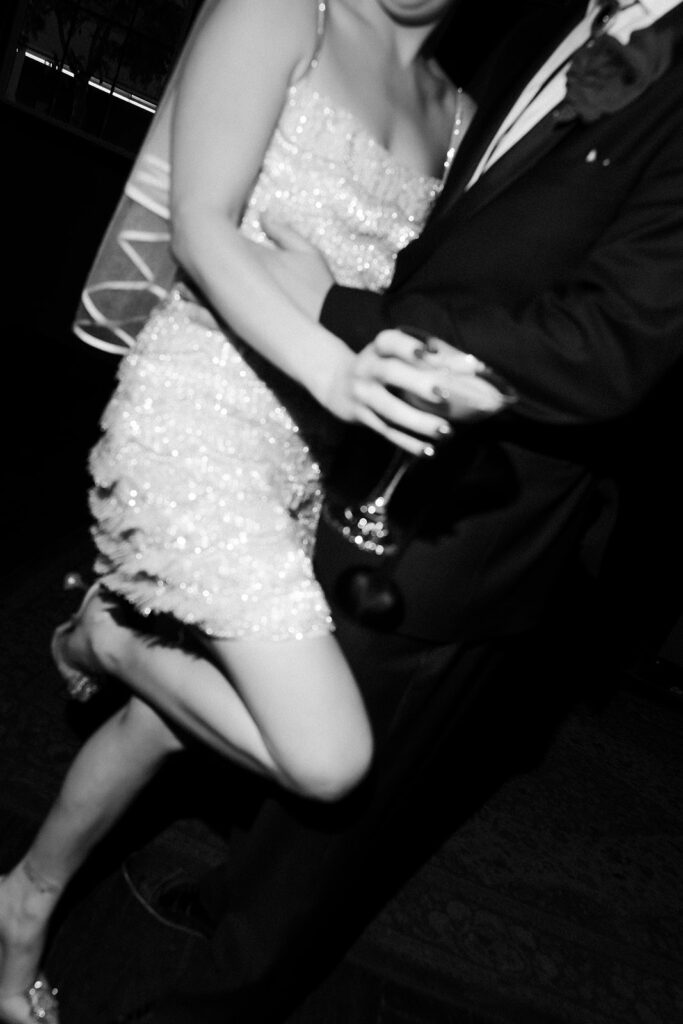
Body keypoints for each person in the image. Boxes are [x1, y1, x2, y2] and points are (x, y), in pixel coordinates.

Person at [88, 0, 682, 1021]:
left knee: (340, 792)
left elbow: (606, 349)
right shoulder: (543, 23)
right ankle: (208, 893)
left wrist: (342, 319)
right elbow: (459, 235)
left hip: (479, 509)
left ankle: (217, 999)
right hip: (345, 443)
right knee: (287, 692)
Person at [0, 1, 495, 1022]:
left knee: (164, 725)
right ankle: (109, 636)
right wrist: (337, 371)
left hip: (306, 464)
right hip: (196, 412)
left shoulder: (458, 115)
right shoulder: (282, 11)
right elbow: (200, 225)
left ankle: (23, 899)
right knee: (328, 760)